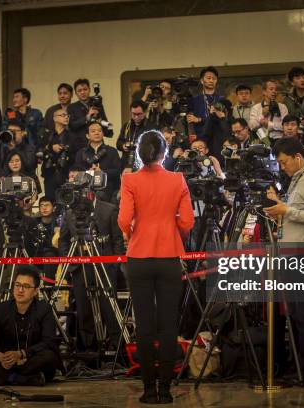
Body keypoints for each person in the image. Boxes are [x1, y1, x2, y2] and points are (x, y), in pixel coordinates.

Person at [118, 130, 194, 403]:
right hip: (169, 256)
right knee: (168, 325)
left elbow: (123, 219)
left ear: (139, 153)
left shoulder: (129, 179)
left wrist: (131, 233)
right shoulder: (177, 179)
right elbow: (187, 220)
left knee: (145, 326)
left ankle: (148, 389)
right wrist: (174, 234)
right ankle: (165, 390)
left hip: (139, 257)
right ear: (165, 152)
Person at [263, 137, 304, 385]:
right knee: (298, 314)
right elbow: (294, 214)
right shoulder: (296, 181)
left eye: (284, 162)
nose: (282, 167)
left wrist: (286, 210)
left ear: (297, 157)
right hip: (292, 254)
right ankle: (303, 365)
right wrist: (280, 207)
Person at [58, 171, 124, 351]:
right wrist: (69, 261)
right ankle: (87, 351)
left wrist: (114, 265)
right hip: (80, 268)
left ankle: (118, 350)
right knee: (84, 312)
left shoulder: (109, 209)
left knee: (110, 310)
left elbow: (117, 240)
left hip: (105, 268)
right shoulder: (70, 213)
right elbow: (63, 240)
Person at [0, 267, 61, 386]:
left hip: (30, 359)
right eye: (17, 285)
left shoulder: (44, 309)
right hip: (6, 361)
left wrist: (21, 354)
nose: (20, 290)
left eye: (26, 286)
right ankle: (22, 379)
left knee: (49, 357)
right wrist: (0, 356)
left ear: (35, 291)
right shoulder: (1, 308)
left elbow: (49, 342)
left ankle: (0, 377)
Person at [74, 122, 121, 201]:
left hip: (109, 191)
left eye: (99, 131)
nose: (97, 133)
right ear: (87, 136)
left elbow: (118, 171)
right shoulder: (81, 153)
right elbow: (77, 173)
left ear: (103, 134)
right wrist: (90, 173)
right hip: (87, 193)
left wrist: (102, 172)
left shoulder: (112, 151)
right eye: (93, 131)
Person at [187, 66, 224, 139]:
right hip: (199, 137)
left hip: (217, 136)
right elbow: (190, 120)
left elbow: (221, 120)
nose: (211, 81)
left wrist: (199, 119)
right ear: (202, 81)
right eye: (208, 78)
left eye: (214, 78)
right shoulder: (194, 100)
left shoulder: (221, 99)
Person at [117, 100, 151, 171]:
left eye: (139, 114)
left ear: (145, 113)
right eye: (133, 114)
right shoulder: (126, 126)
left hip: (143, 164)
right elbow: (118, 143)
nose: (136, 117)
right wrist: (123, 146)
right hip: (126, 163)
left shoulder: (151, 127)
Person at [284, 67, 304, 145]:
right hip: (296, 135)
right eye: (298, 78)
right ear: (292, 82)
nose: (302, 80)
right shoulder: (288, 99)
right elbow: (288, 117)